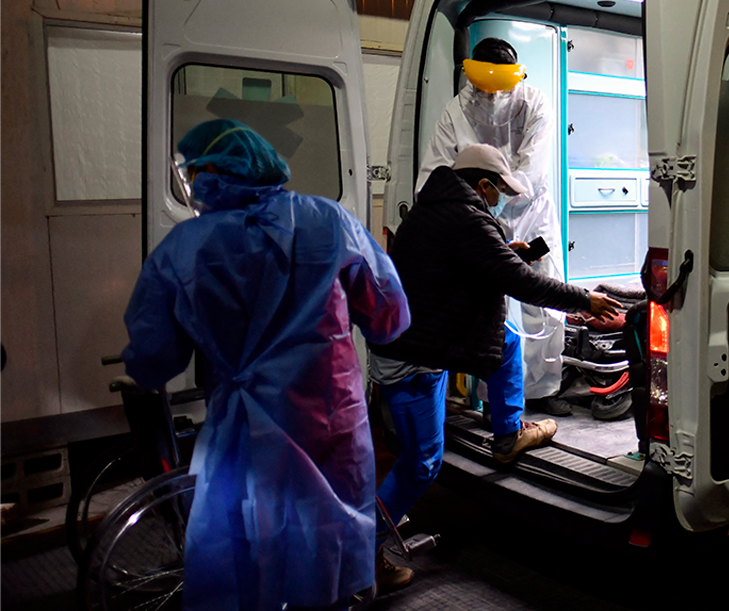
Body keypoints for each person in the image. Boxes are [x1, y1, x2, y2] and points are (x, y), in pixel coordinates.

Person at [122, 119, 411, 611]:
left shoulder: (182, 248)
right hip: (327, 418)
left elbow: (152, 361)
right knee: (326, 544)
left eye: (195, 173)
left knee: (245, 552)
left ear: (213, 174)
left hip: (242, 431)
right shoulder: (328, 221)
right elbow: (389, 317)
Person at [369, 144, 620, 584]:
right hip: (414, 358)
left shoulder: (434, 209)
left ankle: (508, 433)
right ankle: (362, 554)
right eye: (497, 189)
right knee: (421, 462)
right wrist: (585, 300)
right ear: (481, 184)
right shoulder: (466, 217)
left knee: (503, 339)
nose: (499, 196)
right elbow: (519, 282)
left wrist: (505, 252)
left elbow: (469, 262)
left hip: (426, 336)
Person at [418, 38, 571, 415]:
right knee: (492, 311)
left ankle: (547, 389)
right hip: (477, 218)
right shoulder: (456, 111)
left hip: (531, 214)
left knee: (544, 301)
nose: (492, 97)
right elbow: (434, 171)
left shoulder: (534, 103)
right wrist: (474, 216)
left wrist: (496, 202)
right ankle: (496, 398)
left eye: (500, 88)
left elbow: (531, 169)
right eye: (484, 89)